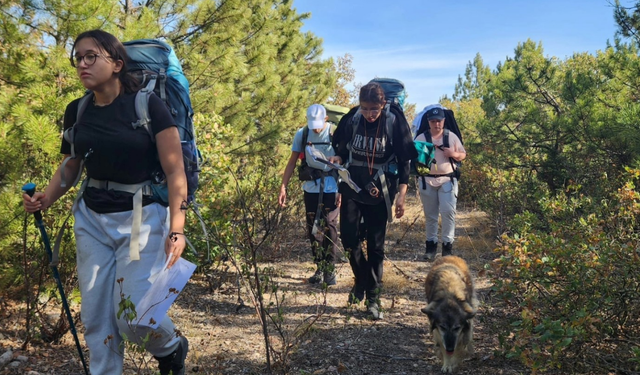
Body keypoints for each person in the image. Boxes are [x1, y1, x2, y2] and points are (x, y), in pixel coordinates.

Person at [22, 30, 189, 375]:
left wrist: (177, 228)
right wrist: (46, 198)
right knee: (97, 318)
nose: (82, 64)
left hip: (142, 219)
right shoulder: (78, 110)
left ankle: (172, 348)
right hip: (91, 219)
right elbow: (71, 164)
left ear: (116, 63)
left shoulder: (147, 105)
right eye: (77, 58)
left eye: (90, 56)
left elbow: (175, 171)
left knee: (134, 317)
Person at [329, 83, 417, 320]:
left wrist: (402, 194)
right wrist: (338, 157)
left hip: (380, 190)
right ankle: (362, 281)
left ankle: (373, 299)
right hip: (352, 188)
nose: (369, 114)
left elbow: (404, 160)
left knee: (376, 246)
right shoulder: (353, 119)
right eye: (366, 108)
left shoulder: (393, 121)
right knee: (348, 239)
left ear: (382, 105)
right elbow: (341, 148)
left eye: (374, 109)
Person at [278, 104, 340, 286]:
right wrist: (283, 186)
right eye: (312, 123)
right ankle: (320, 268)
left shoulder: (334, 133)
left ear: (326, 119)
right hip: (311, 188)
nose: (316, 127)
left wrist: (343, 190)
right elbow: (291, 162)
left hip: (332, 187)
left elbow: (345, 161)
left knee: (330, 227)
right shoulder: (303, 134)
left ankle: (330, 269)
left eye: (319, 123)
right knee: (314, 229)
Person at [414, 106, 466, 260]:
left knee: (448, 213)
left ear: (444, 121)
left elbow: (463, 154)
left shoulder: (451, 137)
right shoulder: (421, 138)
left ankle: (447, 248)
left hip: (448, 180)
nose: (436, 124)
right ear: (428, 122)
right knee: (430, 216)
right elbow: (413, 157)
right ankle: (430, 248)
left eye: (439, 121)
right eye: (433, 121)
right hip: (427, 180)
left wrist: (453, 154)